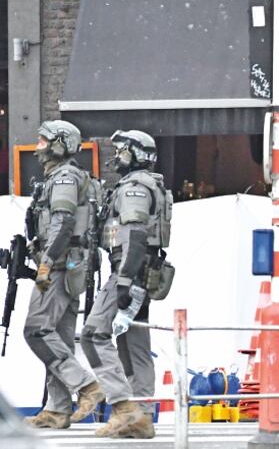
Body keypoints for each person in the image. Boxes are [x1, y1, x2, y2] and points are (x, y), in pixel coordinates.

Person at [81, 130, 171, 439]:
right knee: (134, 344)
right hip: (141, 272)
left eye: (122, 151)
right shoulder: (146, 184)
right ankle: (142, 417)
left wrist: (122, 279)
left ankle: (123, 409)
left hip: (129, 270)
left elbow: (133, 234)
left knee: (94, 333)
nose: (116, 155)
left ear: (136, 154)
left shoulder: (134, 187)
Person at [22, 120, 105, 429]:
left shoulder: (64, 178)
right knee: (60, 336)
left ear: (60, 144)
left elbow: (63, 222)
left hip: (59, 266)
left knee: (37, 330)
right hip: (69, 264)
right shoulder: (62, 177)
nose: (39, 147)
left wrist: (46, 261)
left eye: (44, 141)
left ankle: (86, 386)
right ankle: (57, 408)